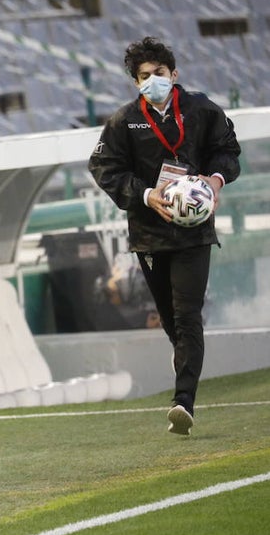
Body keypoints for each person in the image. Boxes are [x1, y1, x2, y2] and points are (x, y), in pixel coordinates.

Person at [87, 37, 241, 436]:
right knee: (172, 321)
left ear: (174, 74)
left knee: (188, 314)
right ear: (135, 82)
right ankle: (184, 359)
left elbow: (227, 150)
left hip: (195, 232)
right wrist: (145, 194)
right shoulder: (124, 122)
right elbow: (104, 167)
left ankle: (183, 402)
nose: (152, 81)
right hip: (150, 235)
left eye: (159, 73)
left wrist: (215, 180)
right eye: (144, 76)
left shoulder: (202, 109)